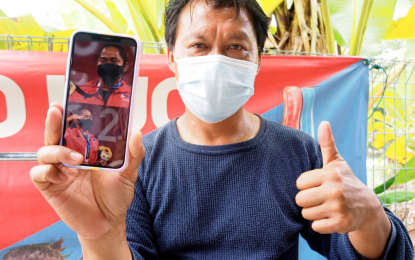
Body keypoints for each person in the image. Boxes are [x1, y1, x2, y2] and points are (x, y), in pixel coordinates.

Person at [30, 0, 414, 259]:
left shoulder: (300, 153)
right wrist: (99, 237)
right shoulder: (135, 166)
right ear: (172, 60)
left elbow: (369, 251)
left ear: (258, 60)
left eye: (235, 47)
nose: (216, 60)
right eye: (198, 45)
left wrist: (371, 219)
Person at [68, 43, 131, 108]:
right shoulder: (79, 92)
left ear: (125, 67)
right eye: (103, 60)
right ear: (97, 64)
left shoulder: (131, 96)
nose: (108, 64)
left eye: (114, 61)